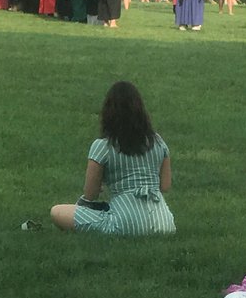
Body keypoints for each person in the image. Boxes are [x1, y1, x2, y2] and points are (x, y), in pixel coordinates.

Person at [50, 81, 174, 235]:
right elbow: (165, 186)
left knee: (57, 211)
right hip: (164, 223)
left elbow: (90, 194)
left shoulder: (102, 146)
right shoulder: (158, 142)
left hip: (126, 224)